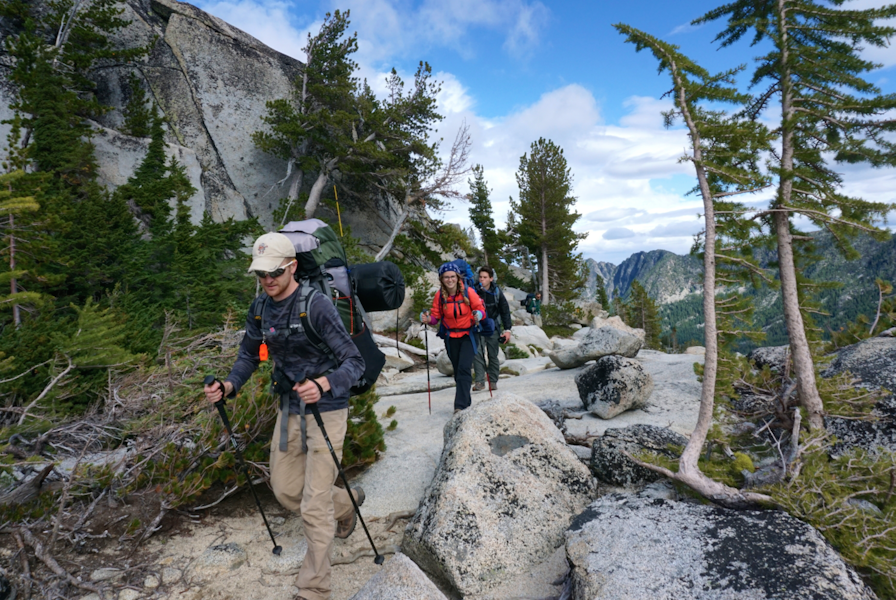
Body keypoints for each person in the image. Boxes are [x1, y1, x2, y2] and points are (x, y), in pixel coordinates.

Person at [204, 232, 365, 600]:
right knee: (286, 490)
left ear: (292, 267)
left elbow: (353, 362)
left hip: (327, 408)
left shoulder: (317, 305)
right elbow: (248, 354)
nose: (267, 281)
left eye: (274, 273)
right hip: (290, 407)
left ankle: (313, 588)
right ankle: (348, 501)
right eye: (261, 274)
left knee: (312, 505)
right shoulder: (260, 307)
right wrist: (229, 386)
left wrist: (324, 384)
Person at [420, 262, 485, 413]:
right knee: (458, 370)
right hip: (451, 337)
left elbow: (480, 309)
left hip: (469, 335)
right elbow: (436, 317)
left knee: (463, 368)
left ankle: (460, 406)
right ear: (442, 279)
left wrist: (479, 315)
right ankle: (466, 401)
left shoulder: (468, 292)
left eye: (452, 277)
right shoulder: (439, 296)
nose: (449, 280)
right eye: (446, 277)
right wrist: (427, 319)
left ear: (457, 277)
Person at [472, 266, 512, 391]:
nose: (482, 280)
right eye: (480, 277)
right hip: (477, 327)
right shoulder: (473, 291)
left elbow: (505, 311)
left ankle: (493, 381)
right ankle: (480, 382)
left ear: (491, 278)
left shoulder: (497, 292)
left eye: (485, 277)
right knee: (477, 353)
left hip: (493, 327)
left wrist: (507, 330)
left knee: (493, 355)